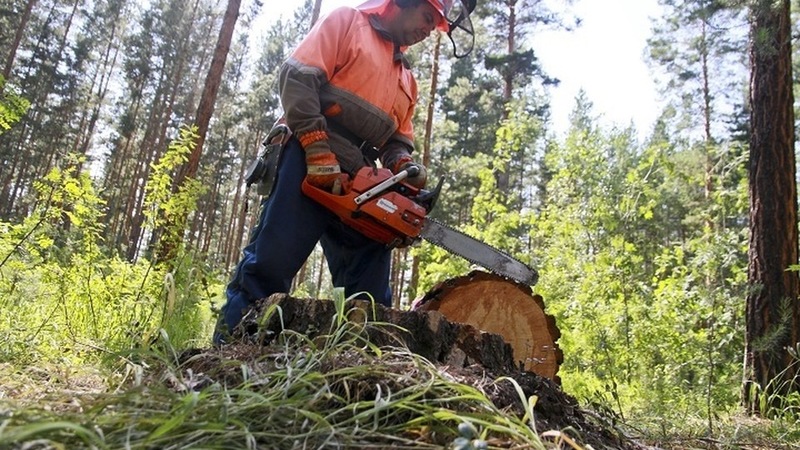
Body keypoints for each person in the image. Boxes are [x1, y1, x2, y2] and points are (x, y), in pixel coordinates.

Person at [214, 0, 475, 343]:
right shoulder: (348, 23)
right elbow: (297, 79)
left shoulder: (407, 79)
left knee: (370, 287)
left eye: (435, 25)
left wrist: (403, 165)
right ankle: (231, 351)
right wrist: (316, 148)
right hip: (306, 154)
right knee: (270, 264)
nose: (428, 30)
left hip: (360, 177)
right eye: (427, 18)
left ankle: (364, 361)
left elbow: (397, 141)